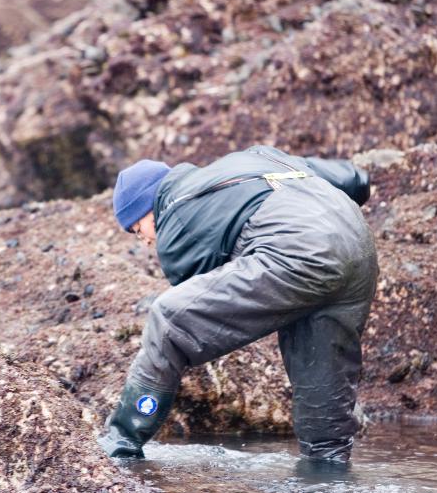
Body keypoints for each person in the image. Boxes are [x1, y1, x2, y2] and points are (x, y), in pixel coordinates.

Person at [98, 145, 378, 463]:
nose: (146, 241)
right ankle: (327, 483)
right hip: (357, 245)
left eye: (138, 229)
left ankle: (118, 446)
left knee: (168, 321)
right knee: (321, 382)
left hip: (297, 252)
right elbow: (356, 180)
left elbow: (194, 309)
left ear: (151, 207)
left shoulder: (175, 212)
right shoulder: (256, 157)